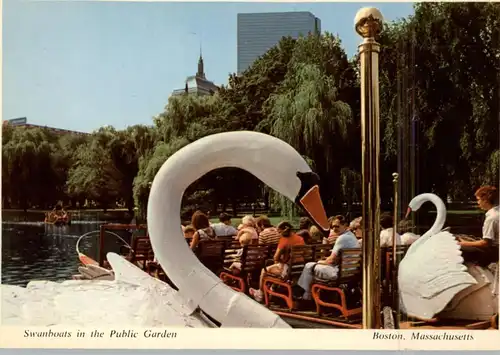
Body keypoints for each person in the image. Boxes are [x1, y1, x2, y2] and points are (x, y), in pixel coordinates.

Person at [297, 215, 358, 300]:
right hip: (349, 272)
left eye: (337, 226)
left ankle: (305, 295)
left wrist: (319, 262)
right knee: (311, 268)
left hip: (338, 274)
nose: (334, 229)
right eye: (333, 226)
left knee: (309, 266)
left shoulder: (342, 238)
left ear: (345, 225)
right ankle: (308, 294)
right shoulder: (351, 236)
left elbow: (330, 260)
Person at [249, 221, 305, 302]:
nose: (278, 234)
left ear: (283, 231)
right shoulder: (300, 238)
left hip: (287, 269)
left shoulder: (284, 240)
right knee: (276, 266)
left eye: (279, 231)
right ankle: (273, 288)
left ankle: (260, 294)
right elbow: (305, 253)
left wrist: (280, 261)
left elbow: (276, 257)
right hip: (300, 267)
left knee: (264, 271)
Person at [458, 186, 499, 267]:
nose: (478, 203)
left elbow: (486, 243)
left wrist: (463, 243)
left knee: (458, 250)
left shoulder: (492, 218)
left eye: (478, 200)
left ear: (485, 200)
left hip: (495, 252)